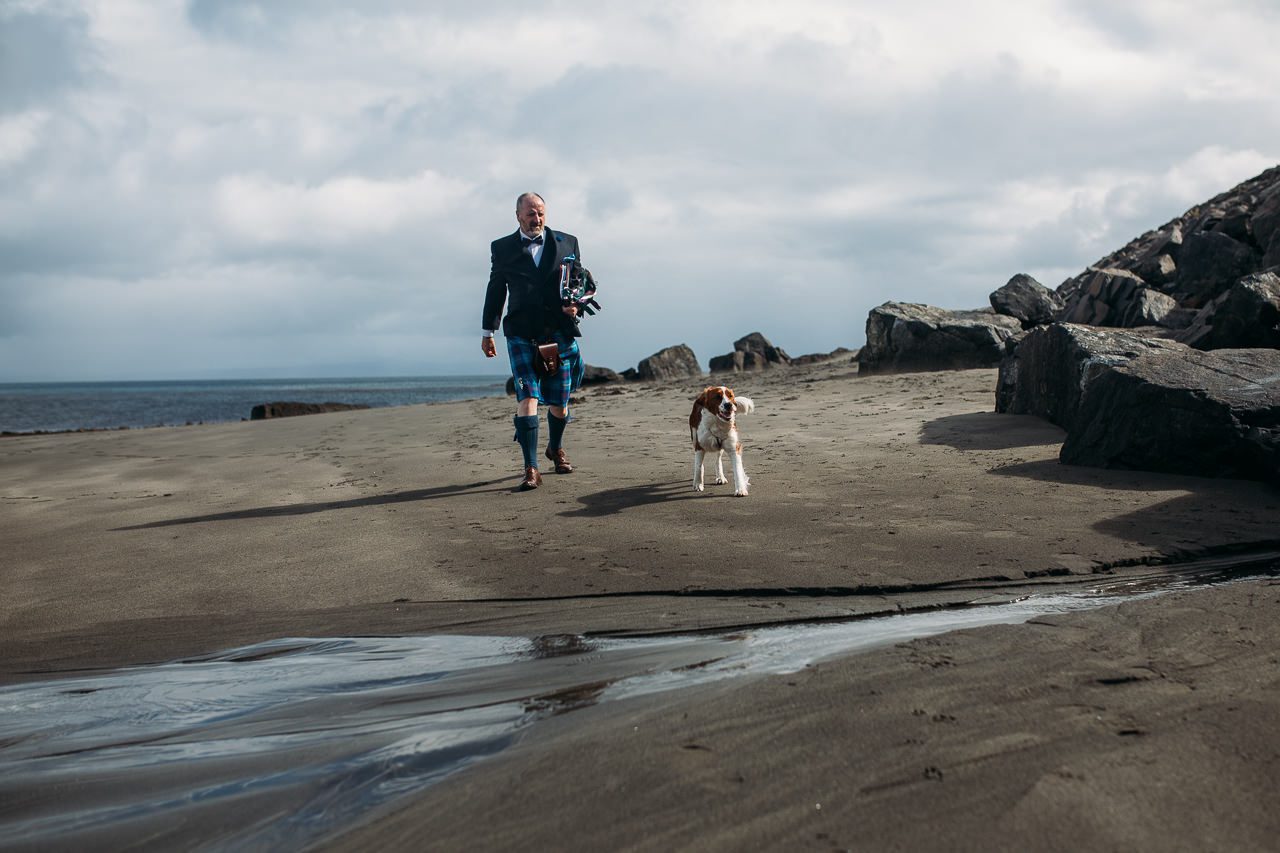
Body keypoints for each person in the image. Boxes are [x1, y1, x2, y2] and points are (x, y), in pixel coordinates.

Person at [482, 192, 587, 490]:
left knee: (559, 403)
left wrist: (575, 305)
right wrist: (488, 332)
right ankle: (531, 468)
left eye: (540, 212)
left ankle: (556, 448)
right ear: (518, 215)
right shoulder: (501, 248)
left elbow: (577, 283)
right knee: (527, 397)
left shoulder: (568, 243)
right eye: (530, 213)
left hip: (558, 332)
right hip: (520, 333)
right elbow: (495, 291)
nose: (536, 218)